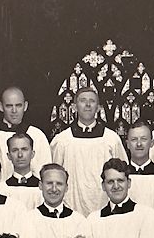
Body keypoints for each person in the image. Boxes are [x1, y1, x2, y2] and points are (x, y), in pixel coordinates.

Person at [50, 87, 126, 216]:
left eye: (92, 101)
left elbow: (122, 172)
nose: (88, 105)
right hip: (72, 203)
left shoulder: (111, 138)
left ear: (98, 107)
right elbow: (53, 173)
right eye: (83, 101)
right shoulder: (62, 139)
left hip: (104, 203)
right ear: (74, 107)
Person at [21, 163, 91, 238]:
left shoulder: (79, 221)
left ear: (66, 187)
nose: (54, 189)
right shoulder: (29, 219)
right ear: (40, 185)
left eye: (59, 184)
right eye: (49, 183)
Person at [0, 86, 52, 179]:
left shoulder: (37, 135)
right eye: (9, 106)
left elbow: (45, 173)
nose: (14, 111)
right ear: (1, 106)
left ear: (25, 106)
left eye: (18, 105)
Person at [124, 120, 154, 213]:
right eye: (134, 139)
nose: (139, 144)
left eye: (143, 139)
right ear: (127, 144)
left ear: (152, 143)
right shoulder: (121, 178)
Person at [1, 132, 43, 211]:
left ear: (32, 154)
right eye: (15, 150)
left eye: (24, 149)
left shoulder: (42, 190)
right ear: (9, 156)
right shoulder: (2, 189)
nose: (20, 155)